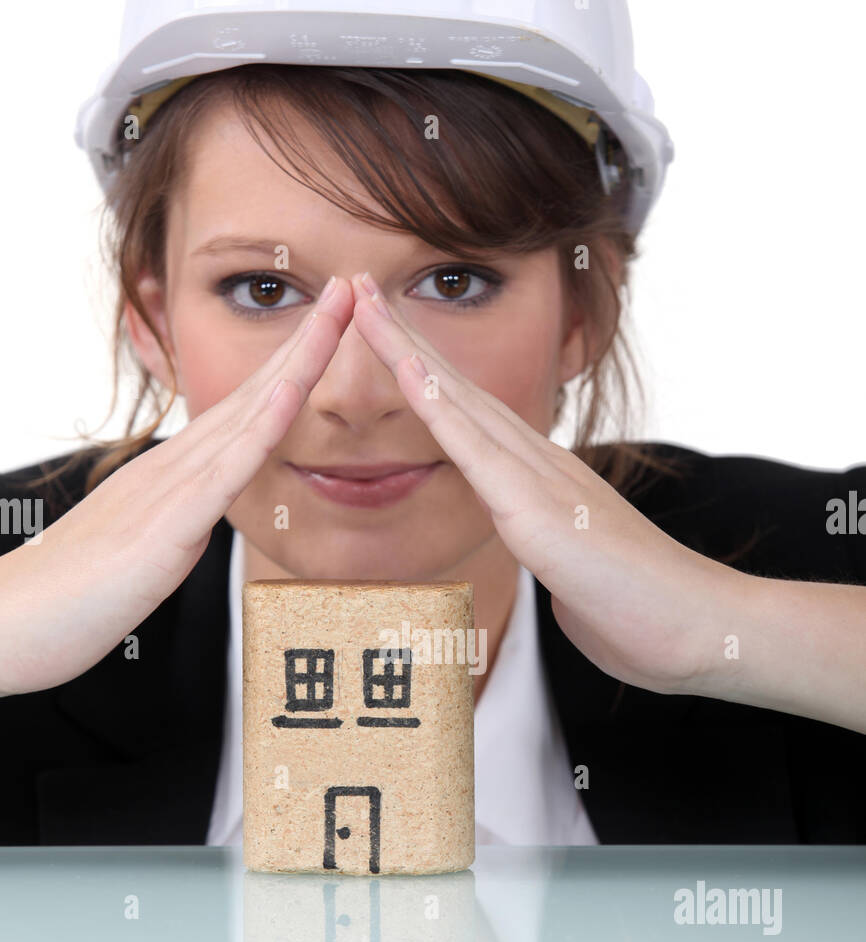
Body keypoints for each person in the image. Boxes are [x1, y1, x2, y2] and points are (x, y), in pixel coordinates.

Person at [1, 6, 864, 849]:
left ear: (583, 312)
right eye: (263, 291)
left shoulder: (795, 567)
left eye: (453, 282)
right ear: (152, 325)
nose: (356, 391)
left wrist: (725, 630)